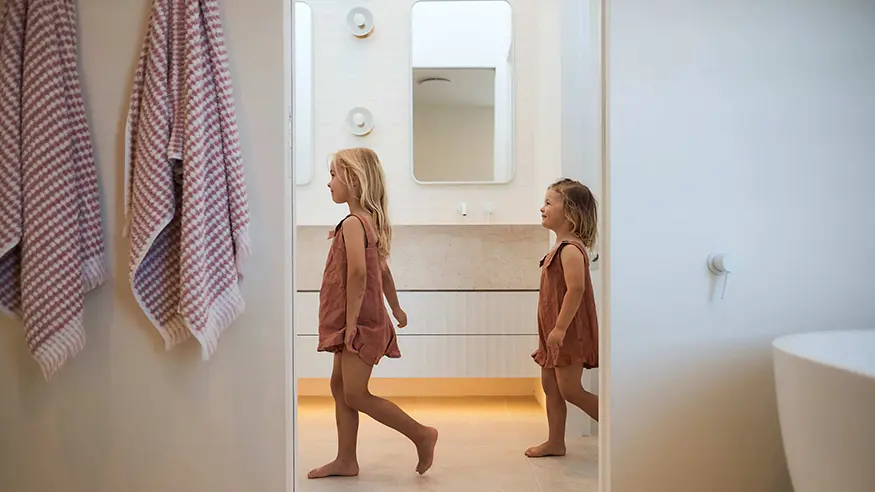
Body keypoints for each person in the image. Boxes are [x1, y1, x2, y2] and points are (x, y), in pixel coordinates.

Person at [307, 148, 439, 479]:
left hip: (359, 322)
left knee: (354, 392)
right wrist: (395, 308)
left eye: (334, 175)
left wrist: (351, 324)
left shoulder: (354, 223)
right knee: (339, 386)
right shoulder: (366, 221)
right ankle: (345, 460)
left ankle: (422, 434)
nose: (329, 183)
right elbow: (383, 271)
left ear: (353, 179)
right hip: (359, 319)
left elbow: (359, 276)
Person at [526, 178, 600, 458]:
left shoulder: (571, 249)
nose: (542, 208)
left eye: (548, 203)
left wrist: (559, 328)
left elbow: (576, 289)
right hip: (553, 332)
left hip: (567, 331)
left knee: (570, 388)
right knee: (551, 387)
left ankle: (621, 428)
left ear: (570, 214)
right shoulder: (558, 247)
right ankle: (555, 441)